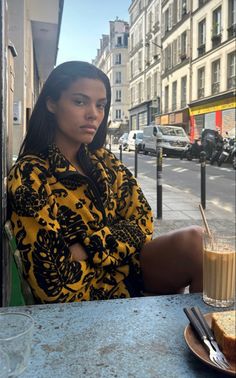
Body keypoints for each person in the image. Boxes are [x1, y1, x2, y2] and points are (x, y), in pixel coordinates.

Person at [7, 61, 203, 303]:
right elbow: (53, 283)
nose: (94, 114)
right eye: (80, 101)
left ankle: (209, 338)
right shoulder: (30, 176)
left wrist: (87, 248)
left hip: (131, 273)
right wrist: (119, 243)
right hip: (86, 296)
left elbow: (142, 220)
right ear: (51, 103)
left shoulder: (102, 159)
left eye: (101, 105)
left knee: (197, 241)